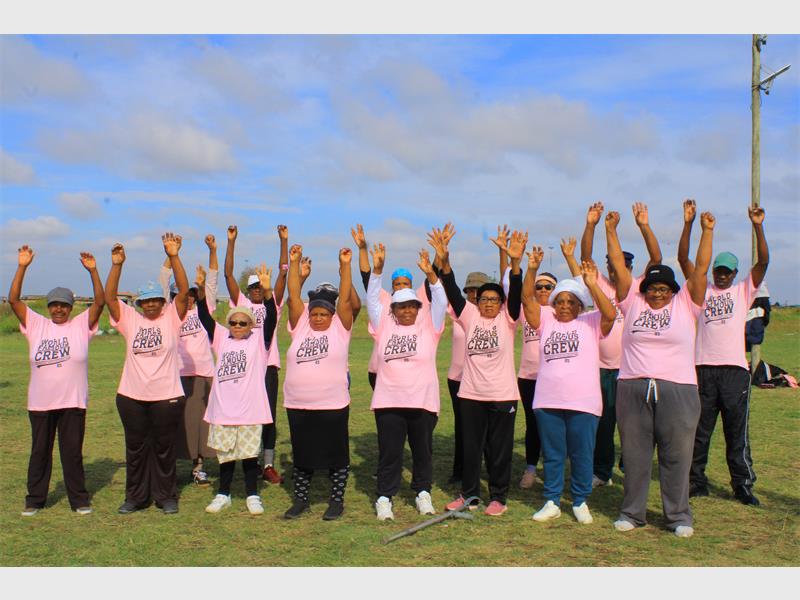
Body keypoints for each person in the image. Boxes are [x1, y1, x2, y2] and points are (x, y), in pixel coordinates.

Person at [606, 206, 713, 538]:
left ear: (673, 291)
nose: (657, 292)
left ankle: (678, 516)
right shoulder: (632, 303)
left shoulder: (686, 305)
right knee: (635, 455)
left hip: (678, 390)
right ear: (644, 290)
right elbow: (618, 266)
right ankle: (632, 513)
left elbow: (701, 269)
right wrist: (611, 230)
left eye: (664, 288)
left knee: (676, 456)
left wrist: (705, 230)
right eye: (652, 288)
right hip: (633, 387)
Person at [678, 201, 769, 506]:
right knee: (699, 430)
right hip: (703, 368)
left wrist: (758, 226)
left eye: (727, 272)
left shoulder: (743, 290)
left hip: (734, 372)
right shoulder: (701, 290)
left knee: (736, 432)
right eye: (718, 271)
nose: (721, 276)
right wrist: (690, 224)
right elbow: (684, 259)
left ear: (735, 274)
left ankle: (742, 485)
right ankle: (696, 481)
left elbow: (763, 262)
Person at [520, 244, 616, 524]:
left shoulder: (591, 322)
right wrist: (532, 269)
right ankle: (551, 500)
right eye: (560, 301)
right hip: (548, 400)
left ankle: (580, 500)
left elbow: (610, 314)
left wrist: (592, 284)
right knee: (553, 454)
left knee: (581, 454)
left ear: (580, 305)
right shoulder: (546, 321)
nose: (564, 306)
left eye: (571, 302)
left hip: (583, 402)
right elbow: (527, 300)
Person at [434, 225, 524, 516]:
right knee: (471, 448)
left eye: (494, 299)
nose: (488, 303)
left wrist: (515, 264)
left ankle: (498, 497)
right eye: (484, 299)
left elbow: (516, 292)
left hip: (502, 395)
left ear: (501, 303)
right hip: (471, 394)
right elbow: (451, 287)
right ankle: (469, 494)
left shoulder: (508, 319)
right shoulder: (469, 316)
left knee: (499, 450)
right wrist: (444, 258)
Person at [9, 246, 105, 517]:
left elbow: (100, 302)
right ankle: (35, 500)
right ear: (49, 307)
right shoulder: (37, 324)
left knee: (72, 453)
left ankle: (79, 500)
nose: (59, 309)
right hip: (40, 403)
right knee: (40, 452)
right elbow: (14, 300)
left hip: (73, 401)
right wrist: (22, 267)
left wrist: (93, 271)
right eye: (54, 305)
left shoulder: (80, 325)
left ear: (71, 308)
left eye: (64, 305)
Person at [578, 202, 662, 488]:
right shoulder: (600, 284)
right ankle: (602, 471)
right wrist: (591, 225)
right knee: (603, 423)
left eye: (621, 266)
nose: (616, 271)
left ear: (629, 268)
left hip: (631, 369)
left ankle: (629, 466)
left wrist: (644, 226)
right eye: (612, 266)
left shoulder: (638, 288)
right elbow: (585, 256)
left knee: (633, 423)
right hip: (601, 368)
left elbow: (656, 258)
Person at [105, 234, 190, 515]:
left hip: (167, 396)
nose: (151, 305)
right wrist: (117, 265)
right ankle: (136, 497)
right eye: (146, 301)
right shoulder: (131, 319)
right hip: (131, 396)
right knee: (136, 448)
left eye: (155, 300)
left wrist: (174, 256)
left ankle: (166, 497)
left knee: (165, 448)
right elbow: (109, 298)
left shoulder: (171, 318)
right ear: (139, 304)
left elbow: (184, 290)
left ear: (163, 301)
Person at [367, 245, 448, 520]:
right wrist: (377, 271)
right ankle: (384, 497)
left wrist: (432, 275)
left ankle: (423, 493)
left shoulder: (429, 327)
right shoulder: (383, 326)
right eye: (401, 306)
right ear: (393, 309)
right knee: (390, 453)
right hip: (388, 401)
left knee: (422, 452)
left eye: (412, 306)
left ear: (418, 307)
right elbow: (372, 299)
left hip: (422, 402)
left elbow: (440, 300)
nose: (407, 311)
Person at [196, 265, 277, 515]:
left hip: (250, 410)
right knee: (226, 457)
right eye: (233, 322)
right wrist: (201, 292)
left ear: (251, 325)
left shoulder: (259, 341)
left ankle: (253, 495)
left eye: (243, 323)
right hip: (223, 410)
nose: (238, 326)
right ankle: (223, 494)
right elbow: (205, 318)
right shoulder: (222, 338)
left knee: (250, 456)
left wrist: (268, 293)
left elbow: (271, 319)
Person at [282, 244, 354, 521]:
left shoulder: (340, 328)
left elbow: (345, 300)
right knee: (302, 455)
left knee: (337, 455)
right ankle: (301, 500)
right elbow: (293, 297)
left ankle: (336, 502)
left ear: (332, 315)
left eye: (323, 314)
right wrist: (294, 262)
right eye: (314, 314)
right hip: (298, 404)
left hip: (332, 404)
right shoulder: (300, 327)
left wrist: (345, 266)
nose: (318, 318)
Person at [224, 225, 286, 485]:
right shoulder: (242, 305)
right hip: (245, 368)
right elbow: (228, 274)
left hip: (268, 367)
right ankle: (245, 460)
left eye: (261, 286)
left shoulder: (273, 305)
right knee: (243, 415)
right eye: (254, 287)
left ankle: (267, 464)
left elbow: (283, 273)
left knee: (268, 416)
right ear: (248, 290)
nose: (258, 290)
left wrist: (283, 241)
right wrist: (231, 242)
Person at [158, 234, 219, 485]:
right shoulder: (168, 314)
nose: (190, 298)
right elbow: (163, 281)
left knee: (202, 425)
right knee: (175, 424)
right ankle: (170, 469)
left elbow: (212, 281)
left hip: (204, 374)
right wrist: (171, 255)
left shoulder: (205, 312)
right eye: (185, 295)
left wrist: (213, 250)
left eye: (193, 295)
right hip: (176, 376)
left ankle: (198, 468)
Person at [351, 224, 429, 391]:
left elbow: (434, 280)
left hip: (412, 368)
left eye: (405, 283)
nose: (401, 287)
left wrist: (439, 258)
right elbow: (367, 277)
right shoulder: (384, 299)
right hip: (379, 368)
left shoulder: (420, 298)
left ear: (411, 285)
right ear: (392, 285)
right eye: (397, 284)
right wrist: (363, 248)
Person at [746, 282, 771, 373]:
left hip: (747, 324)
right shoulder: (762, 289)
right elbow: (767, 311)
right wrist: (765, 322)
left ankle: (749, 371)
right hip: (756, 325)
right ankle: (754, 373)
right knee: (755, 347)